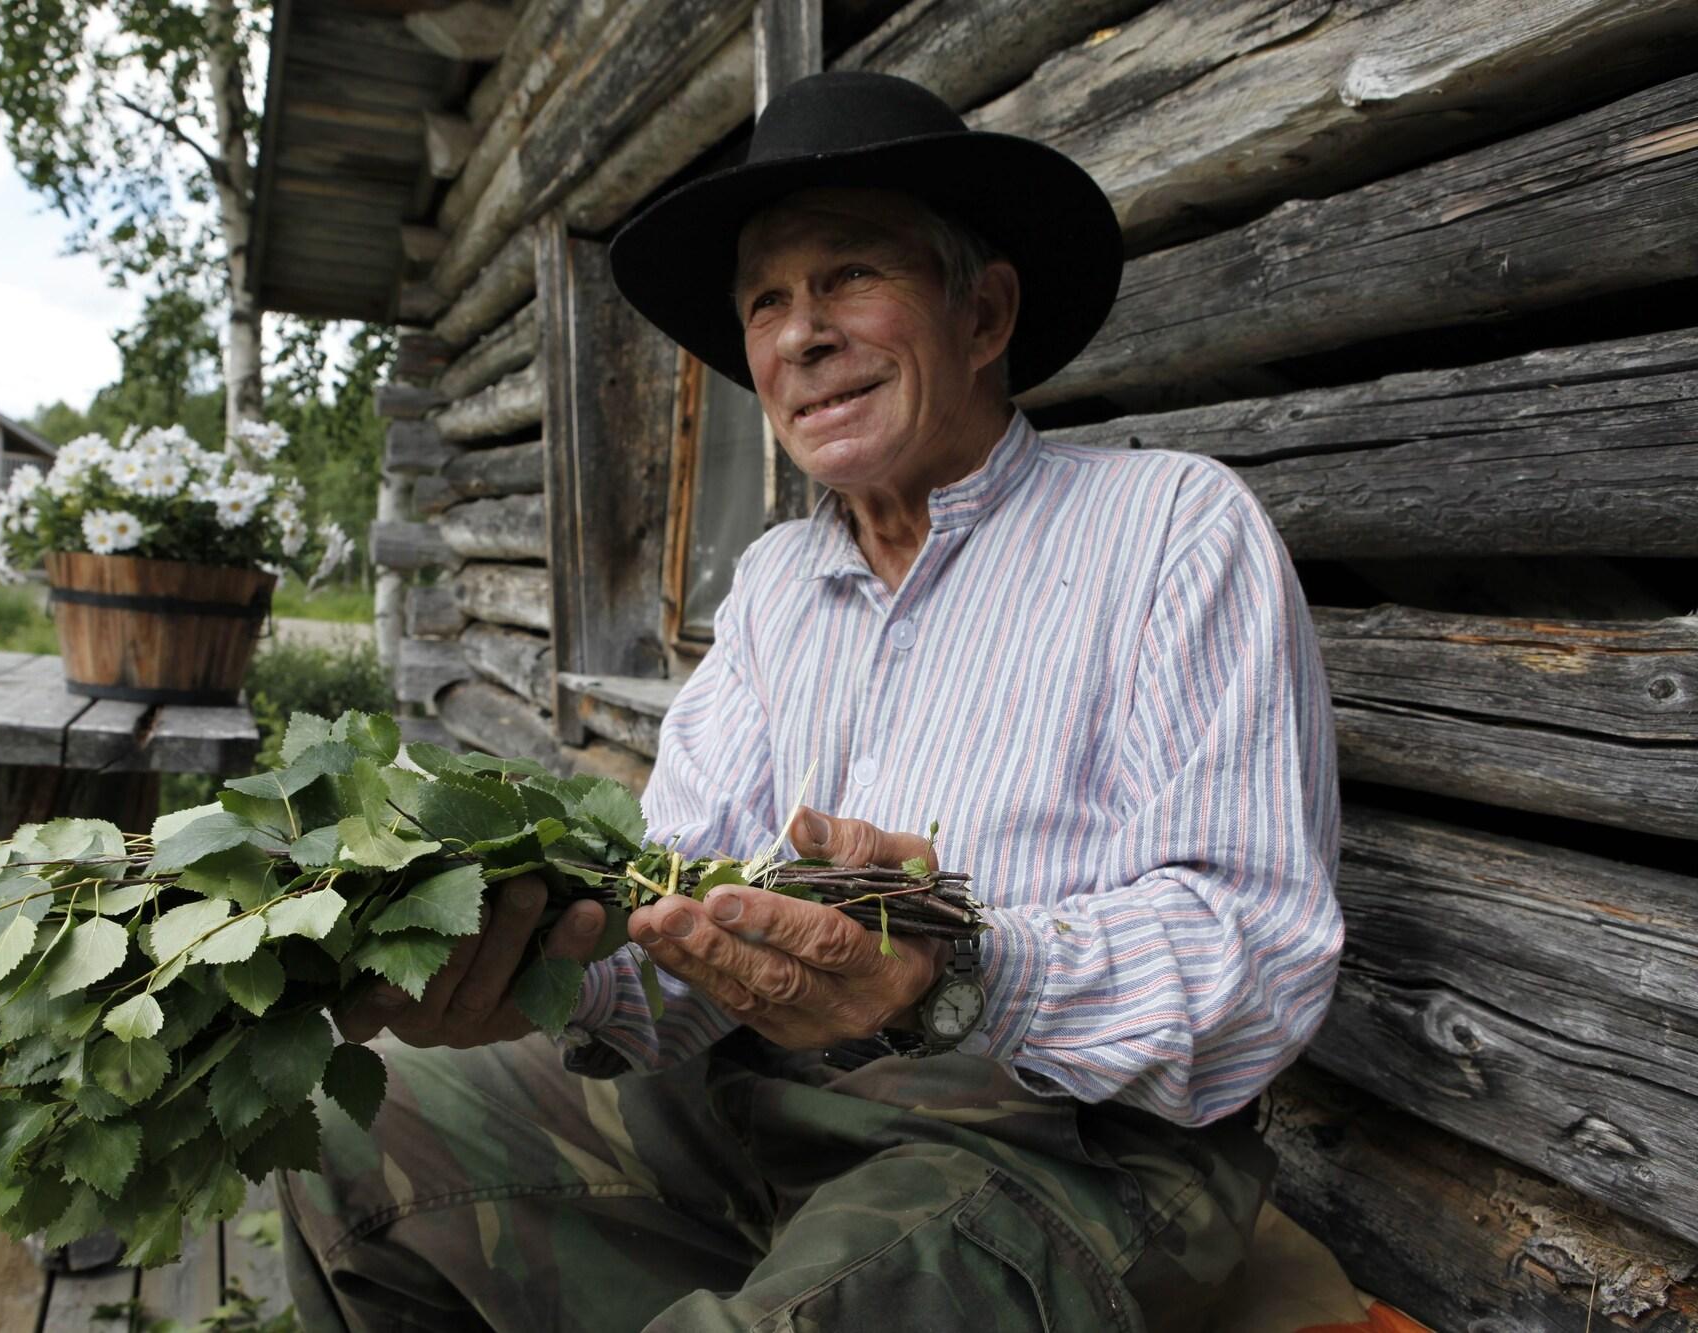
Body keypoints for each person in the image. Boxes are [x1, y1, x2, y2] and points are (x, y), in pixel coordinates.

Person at [281, 70, 1343, 1332]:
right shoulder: (777, 581)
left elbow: (1253, 950)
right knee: (340, 1136)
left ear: (985, 310)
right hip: (756, 1102)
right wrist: (534, 976)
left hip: (1059, 1141)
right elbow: (676, 911)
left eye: (849, 276)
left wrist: (961, 971)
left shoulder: (1168, 527)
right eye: (766, 301)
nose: (799, 335)